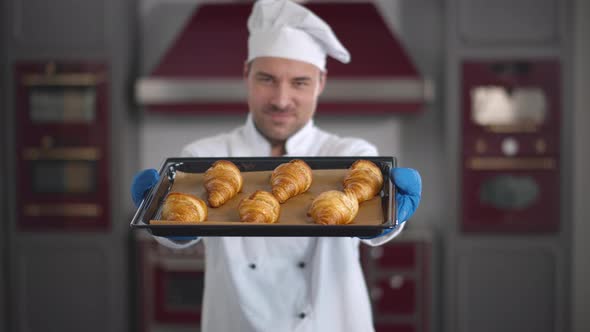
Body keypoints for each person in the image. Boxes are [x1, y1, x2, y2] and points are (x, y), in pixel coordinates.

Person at [131, 0, 422, 331]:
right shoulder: (204, 158)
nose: (281, 100)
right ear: (246, 75)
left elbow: (374, 226)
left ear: (321, 82)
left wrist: (392, 218)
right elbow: (181, 228)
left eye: (299, 82)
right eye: (267, 79)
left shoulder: (352, 155)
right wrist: (167, 224)